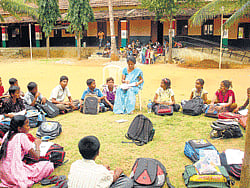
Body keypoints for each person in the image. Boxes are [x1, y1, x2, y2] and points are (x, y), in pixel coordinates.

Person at [0, 115, 54, 187]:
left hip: (4, 174)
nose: (29, 127)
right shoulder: (22, 136)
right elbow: (36, 157)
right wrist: (37, 145)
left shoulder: (7, 135)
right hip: (14, 175)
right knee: (48, 165)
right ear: (19, 128)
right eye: (27, 125)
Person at [68, 136, 133, 188]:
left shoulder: (74, 165)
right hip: (104, 175)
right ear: (98, 153)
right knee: (127, 182)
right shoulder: (101, 171)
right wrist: (118, 172)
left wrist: (103, 168)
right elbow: (113, 179)